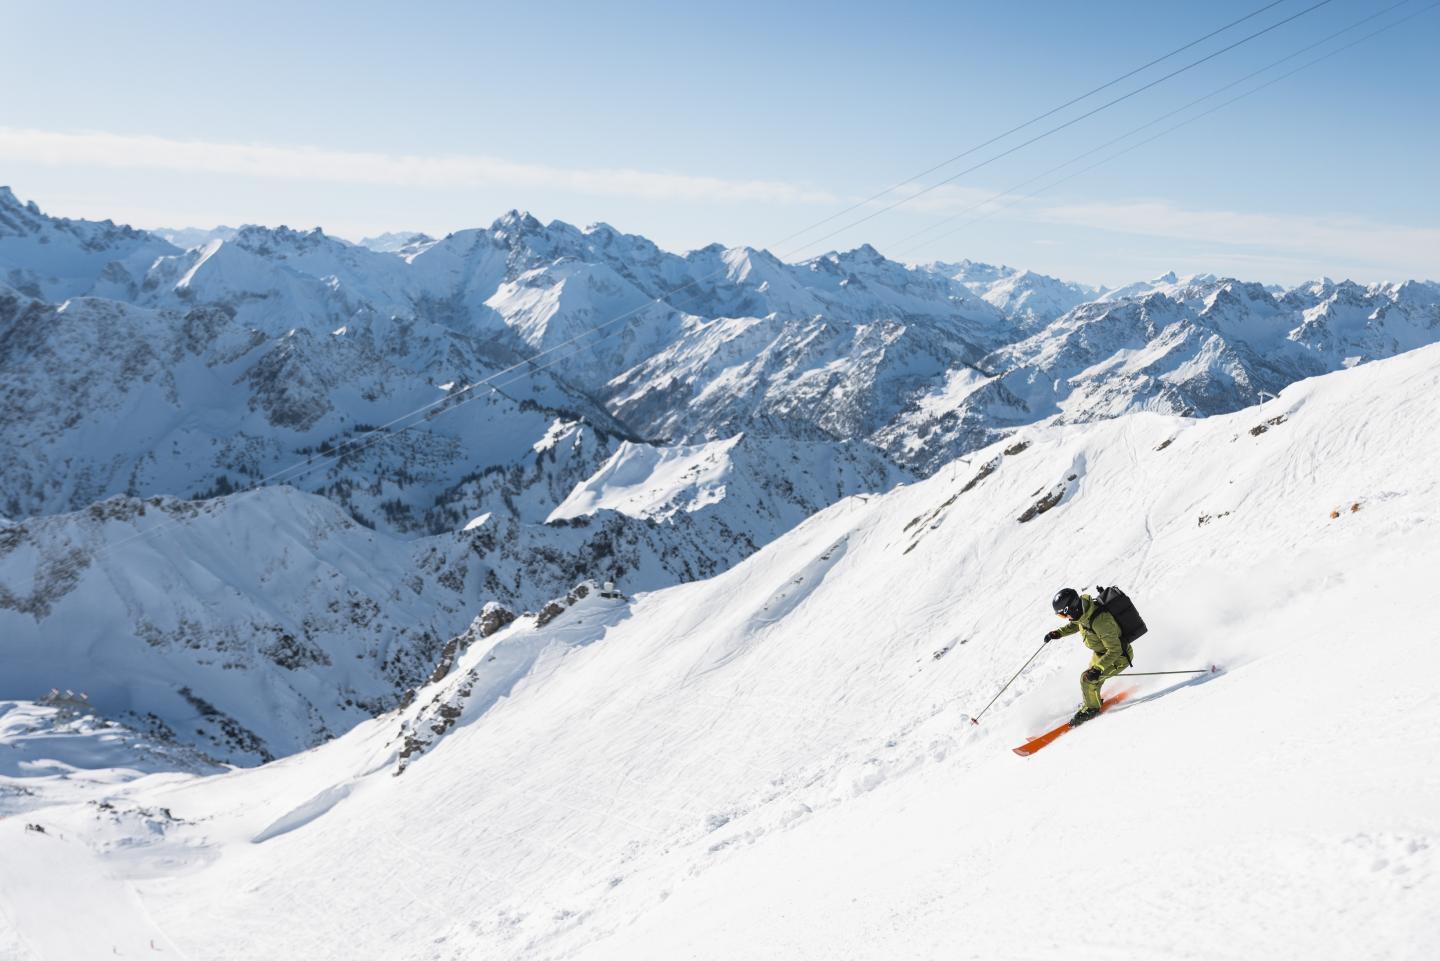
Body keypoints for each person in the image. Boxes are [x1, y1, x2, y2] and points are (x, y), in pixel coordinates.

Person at [1044, 587, 1130, 725]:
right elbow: (1077, 625)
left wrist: (1099, 668)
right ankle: (1091, 699)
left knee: (1087, 678)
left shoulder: (1100, 621)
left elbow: (1115, 650)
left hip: (1119, 657)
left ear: (1070, 609)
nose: (1065, 619)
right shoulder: (1083, 612)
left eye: (1063, 615)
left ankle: (1092, 709)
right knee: (1091, 677)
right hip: (1101, 654)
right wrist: (1058, 633)